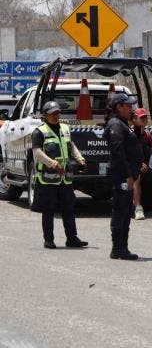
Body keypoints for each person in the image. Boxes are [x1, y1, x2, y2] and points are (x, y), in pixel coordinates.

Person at [33, 101, 88, 249]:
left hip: (65, 177)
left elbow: (71, 145)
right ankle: (49, 239)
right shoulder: (39, 131)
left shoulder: (65, 128)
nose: (56, 116)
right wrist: (52, 163)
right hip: (48, 178)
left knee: (69, 208)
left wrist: (79, 158)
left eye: (57, 113)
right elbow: (37, 152)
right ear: (45, 116)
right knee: (49, 209)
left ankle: (72, 238)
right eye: (52, 114)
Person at [105, 94, 141, 260]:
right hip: (121, 176)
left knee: (126, 212)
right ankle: (117, 248)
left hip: (127, 175)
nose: (131, 108)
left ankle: (122, 248)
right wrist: (128, 175)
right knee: (120, 211)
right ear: (119, 107)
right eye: (128, 105)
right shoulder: (115, 124)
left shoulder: (123, 124)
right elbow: (118, 151)